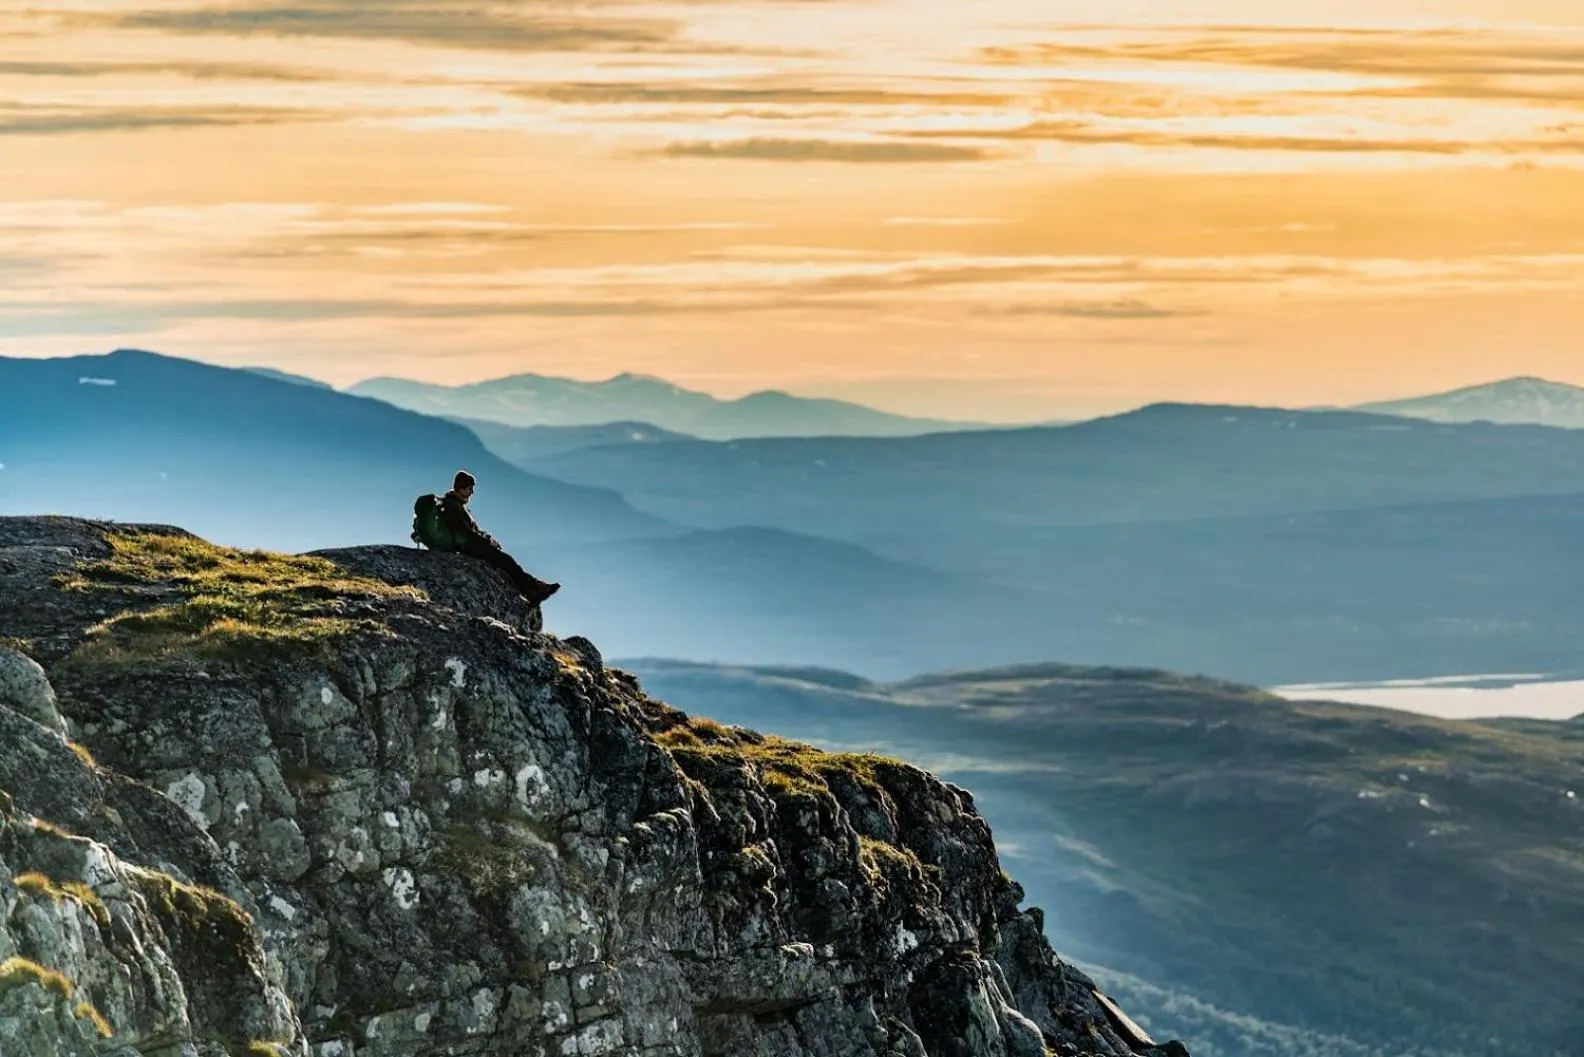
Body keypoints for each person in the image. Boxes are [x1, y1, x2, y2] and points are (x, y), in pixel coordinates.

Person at [441, 470, 560, 606]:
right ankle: (533, 589)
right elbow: (463, 532)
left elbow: (467, 530)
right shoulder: (452, 505)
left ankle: (534, 587)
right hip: (468, 547)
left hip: (469, 544)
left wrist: (484, 537)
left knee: (506, 561)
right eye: (470, 488)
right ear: (461, 488)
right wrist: (486, 541)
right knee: (506, 561)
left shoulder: (455, 504)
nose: (472, 492)